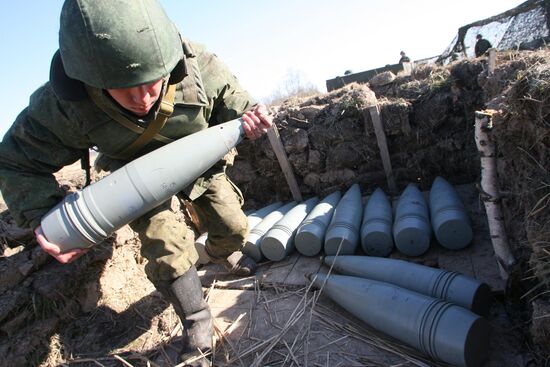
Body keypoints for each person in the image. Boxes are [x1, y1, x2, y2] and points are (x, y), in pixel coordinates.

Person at [0, 1, 272, 366]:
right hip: (135, 178)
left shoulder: (196, 65)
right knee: (166, 245)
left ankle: (221, 252)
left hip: (199, 160)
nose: (143, 99)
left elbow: (232, 96)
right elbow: (15, 160)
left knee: (234, 226)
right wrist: (45, 217)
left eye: (151, 83)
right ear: (90, 81)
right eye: (124, 88)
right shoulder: (64, 106)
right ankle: (197, 323)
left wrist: (249, 115)